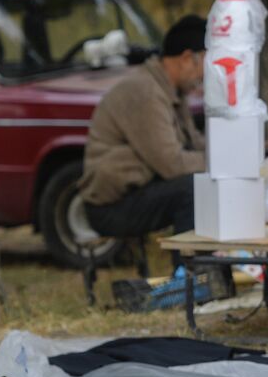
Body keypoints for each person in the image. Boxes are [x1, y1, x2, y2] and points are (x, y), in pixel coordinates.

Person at [79, 15, 207, 237]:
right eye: (208, 62)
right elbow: (173, 164)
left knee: (202, 184)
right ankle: (189, 270)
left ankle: (209, 267)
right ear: (187, 58)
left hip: (139, 190)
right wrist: (222, 164)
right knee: (193, 189)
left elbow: (194, 143)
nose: (206, 75)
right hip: (111, 205)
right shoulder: (146, 92)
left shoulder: (172, 90)